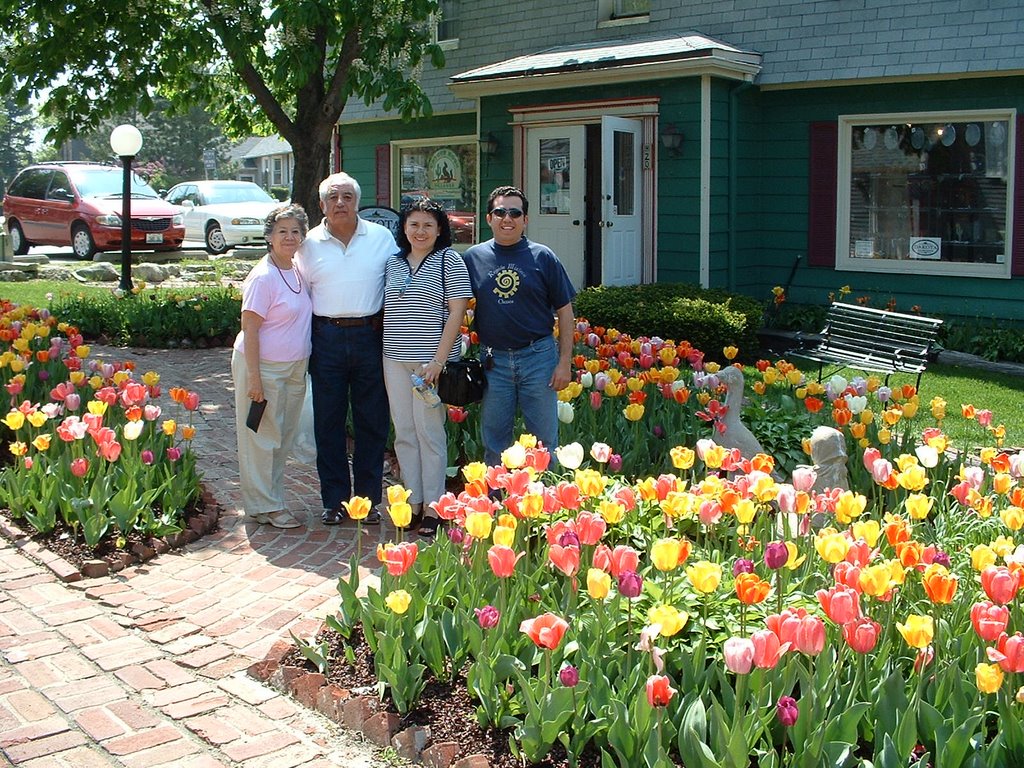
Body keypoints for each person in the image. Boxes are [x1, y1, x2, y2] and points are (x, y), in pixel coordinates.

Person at [295, 173, 396, 526]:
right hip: (327, 338)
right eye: (333, 197)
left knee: (372, 421)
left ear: (358, 201)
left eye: (348, 196)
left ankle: (367, 502)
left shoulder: (382, 239)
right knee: (329, 422)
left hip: (371, 336)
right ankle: (334, 501)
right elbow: (299, 294)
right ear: (322, 205)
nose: (341, 203)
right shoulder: (307, 244)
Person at [462, 186, 576, 467]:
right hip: (494, 362)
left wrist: (564, 363)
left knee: (544, 444)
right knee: (495, 443)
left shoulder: (543, 257)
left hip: (538, 358)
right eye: (500, 212)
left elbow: (565, 312)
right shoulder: (473, 258)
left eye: (515, 212)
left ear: (525, 220)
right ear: (489, 218)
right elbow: (456, 309)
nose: (507, 218)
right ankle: (495, 504)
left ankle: (545, 506)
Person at [383, 199, 473, 537]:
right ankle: (414, 501)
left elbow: (457, 311)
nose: (420, 231)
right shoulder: (393, 263)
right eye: (414, 224)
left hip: (428, 365)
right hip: (393, 359)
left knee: (429, 434)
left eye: (428, 225)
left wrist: (439, 360)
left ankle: (436, 507)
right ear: (404, 228)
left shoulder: (448, 260)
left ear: (439, 230)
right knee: (404, 433)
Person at [232, 204, 311, 529]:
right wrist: (254, 378)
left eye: (295, 231)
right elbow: (250, 328)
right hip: (263, 366)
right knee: (261, 437)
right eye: (282, 231)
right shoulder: (263, 277)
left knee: (283, 437)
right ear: (269, 237)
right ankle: (265, 506)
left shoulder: (295, 269)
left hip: (293, 367)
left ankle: (270, 500)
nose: (289, 237)